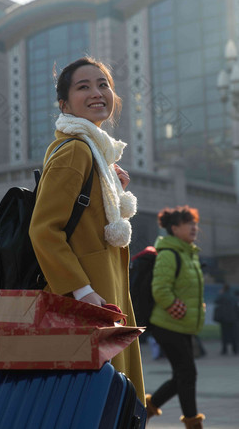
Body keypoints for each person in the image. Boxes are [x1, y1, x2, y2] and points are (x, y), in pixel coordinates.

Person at [29, 56, 145, 405]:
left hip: (103, 293)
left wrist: (109, 182)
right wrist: (82, 292)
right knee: (97, 404)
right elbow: (44, 230)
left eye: (103, 84)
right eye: (84, 87)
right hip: (90, 299)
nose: (97, 92)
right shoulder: (76, 151)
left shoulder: (97, 155)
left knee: (107, 402)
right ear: (63, 103)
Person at [145, 206, 205, 429]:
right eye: (189, 223)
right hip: (168, 325)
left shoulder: (188, 253)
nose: (194, 228)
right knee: (187, 374)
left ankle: (146, 410)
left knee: (182, 375)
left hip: (182, 326)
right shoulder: (169, 254)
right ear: (174, 228)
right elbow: (160, 289)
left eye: (195, 223)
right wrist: (181, 310)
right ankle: (192, 423)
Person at [214, 283, 238, 355]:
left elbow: (216, 301)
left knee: (224, 334)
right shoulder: (232, 296)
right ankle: (235, 349)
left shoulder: (222, 295)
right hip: (233, 317)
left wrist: (220, 293)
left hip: (224, 318)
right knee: (234, 334)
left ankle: (224, 349)